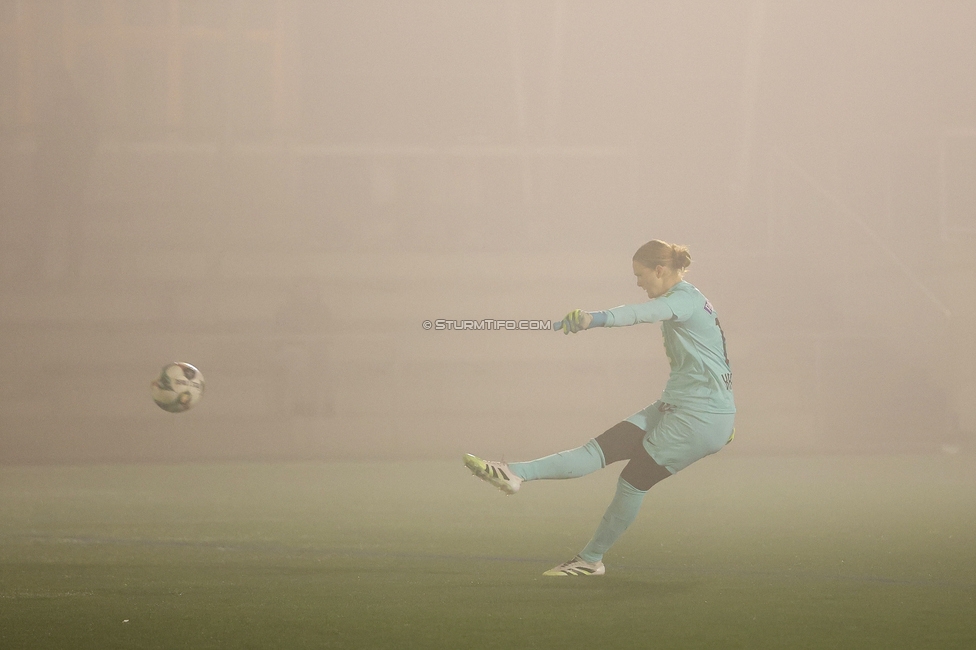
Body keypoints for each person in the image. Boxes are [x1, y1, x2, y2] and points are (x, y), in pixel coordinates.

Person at [463, 239, 735, 576]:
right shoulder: (691, 298)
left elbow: (639, 313)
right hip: (685, 408)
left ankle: (591, 560)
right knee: (596, 451)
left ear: (659, 270)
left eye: (640, 275)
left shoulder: (681, 299)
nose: (638, 283)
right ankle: (515, 473)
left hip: (698, 417)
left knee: (632, 481)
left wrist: (595, 318)